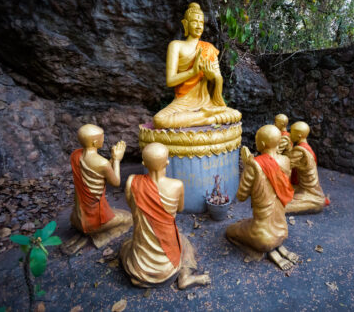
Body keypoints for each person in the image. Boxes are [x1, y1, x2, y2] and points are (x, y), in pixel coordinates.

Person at [120, 142, 211, 289]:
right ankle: (185, 276)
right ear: (167, 162)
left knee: (126, 245)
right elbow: (180, 208)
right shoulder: (176, 185)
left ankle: (144, 275)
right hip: (168, 268)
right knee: (184, 243)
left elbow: (132, 206)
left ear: (144, 163)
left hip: (139, 269)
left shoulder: (132, 182)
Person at [153, 2, 241, 129]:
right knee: (159, 120)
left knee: (236, 114)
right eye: (194, 22)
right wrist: (192, 72)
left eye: (201, 23)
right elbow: (170, 81)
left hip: (207, 103)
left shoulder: (209, 48)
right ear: (185, 24)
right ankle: (208, 117)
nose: (199, 26)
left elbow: (218, 78)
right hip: (182, 103)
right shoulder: (176, 46)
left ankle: (206, 115)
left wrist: (212, 77)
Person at [226, 125, 298, 271]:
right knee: (246, 224)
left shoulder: (254, 165)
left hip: (262, 237)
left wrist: (247, 167)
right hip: (282, 231)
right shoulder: (285, 161)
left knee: (230, 231)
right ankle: (276, 248)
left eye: (257, 140)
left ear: (263, 144)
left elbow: (241, 196)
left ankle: (256, 251)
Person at [62, 124, 132, 255]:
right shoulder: (102, 163)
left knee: (115, 212)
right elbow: (116, 182)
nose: (103, 139)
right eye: (102, 137)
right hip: (94, 221)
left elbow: (98, 173)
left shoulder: (75, 155)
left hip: (76, 217)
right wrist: (116, 160)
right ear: (95, 142)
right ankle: (95, 236)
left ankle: (83, 235)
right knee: (128, 218)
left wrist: (111, 160)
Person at [286, 121, 329, 214]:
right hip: (301, 186)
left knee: (282, 205)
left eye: (292, 132)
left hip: (308, 190)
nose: (289, 134)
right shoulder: (305, 147)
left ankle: (315, 201)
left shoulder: (300, 151)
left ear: (299, 136)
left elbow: (284, 164)